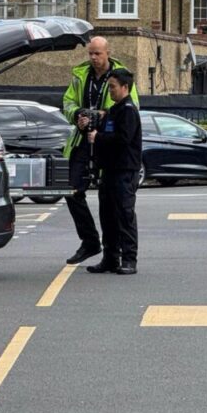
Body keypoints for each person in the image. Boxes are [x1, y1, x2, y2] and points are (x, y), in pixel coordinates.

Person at [61, 36, 139, 265]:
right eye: (90, 53)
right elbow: (67, 103)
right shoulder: (80, 75)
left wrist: (103, 116)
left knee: (115, 206)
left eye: (98, 54)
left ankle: (117, 256)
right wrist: (78, 116)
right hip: (83, 140)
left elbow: (127, 108)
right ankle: (90, 241)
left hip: (108, 145)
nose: (94, 58)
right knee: (72, 191)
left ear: (108, 53)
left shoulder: (120, 77)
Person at [86, 68, 142, 275]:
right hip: (109, 170)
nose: (110, 91)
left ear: (125, 87)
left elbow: (123, 139)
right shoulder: (115, 109)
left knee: (124, 215)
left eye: (113, 87)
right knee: (107, 215)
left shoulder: (128, 110)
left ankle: (129, 259)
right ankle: (110, 257)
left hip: (124, 171)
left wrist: (98, 138)